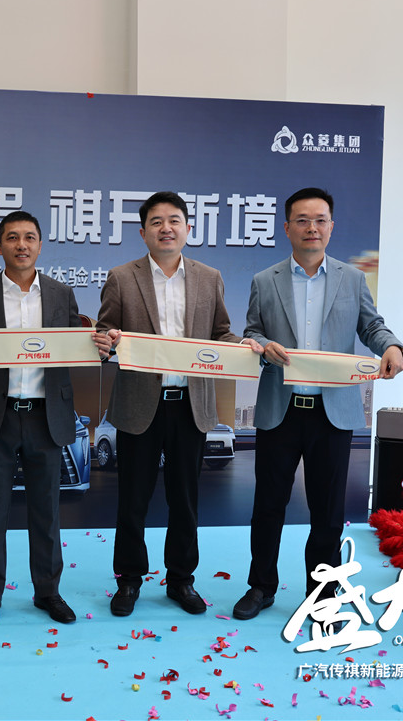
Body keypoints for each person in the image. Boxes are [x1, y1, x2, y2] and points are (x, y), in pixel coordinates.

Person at [234, 186, 403, 621]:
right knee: (268, 506)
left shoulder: (352, 278)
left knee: (327, 511)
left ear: (331, 227)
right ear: (287, 227)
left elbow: (372, 327)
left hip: (333, 413)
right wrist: (261, 344)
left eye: (320, 220)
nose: (311, 227)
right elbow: (251, 332)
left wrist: (391, 347)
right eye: (302, 220)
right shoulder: (265, 280)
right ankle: (260, 586)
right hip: (280, 409)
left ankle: (323, 593)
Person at [0, 211, 112, 626]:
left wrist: (101, 347)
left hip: (47, 415)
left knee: (46, 511)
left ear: (40, 245)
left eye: (29, 237)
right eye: (12, 237)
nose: (21, 245)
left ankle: (48, 592)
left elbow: (78, 347)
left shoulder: (61, 294)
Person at [97, 191, 259, 617]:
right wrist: (107, 339)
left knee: (185, 499)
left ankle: (181, 580)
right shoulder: (122, 277)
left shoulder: (209, 277)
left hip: (190, 403)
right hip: (139, 404)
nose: (165, 228)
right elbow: (104, 331)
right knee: (132, 499)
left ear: (188, 228)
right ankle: (129, 580)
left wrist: (241, 345)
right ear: (142, 232)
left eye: (173, 221)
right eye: (156, 222)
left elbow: (221, 333)